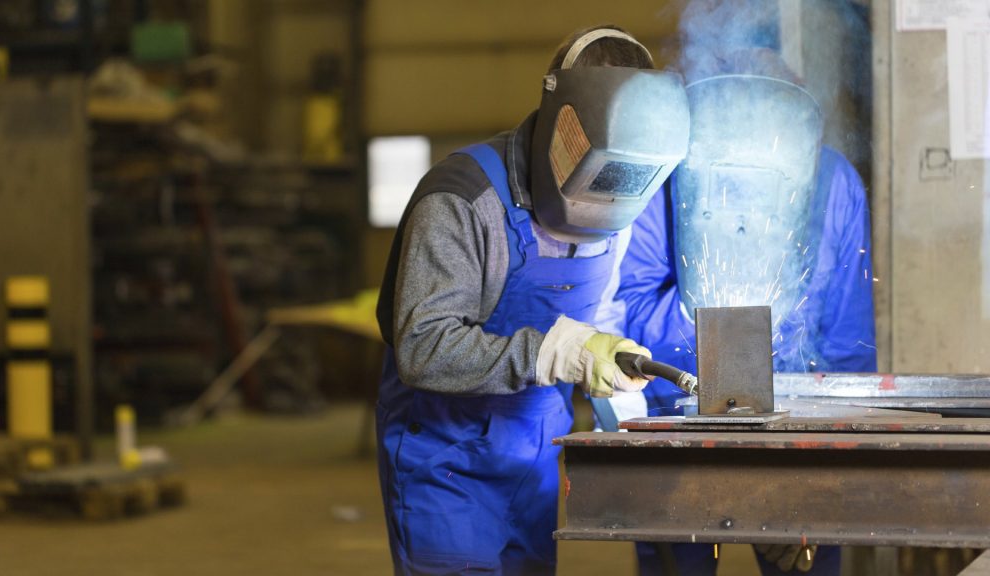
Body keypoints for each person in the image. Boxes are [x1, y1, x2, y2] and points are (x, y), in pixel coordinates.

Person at [374, 25, 691, 575]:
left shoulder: (625, 197)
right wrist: (549, 353)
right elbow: (422, 347)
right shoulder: (463, 200)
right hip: (445, 461)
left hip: (536, 453)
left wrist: (617, 392)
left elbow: (601, 311)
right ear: (561, 122)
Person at [613, 49, 876, 576]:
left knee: (804, 560)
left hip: (796, 428)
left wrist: (830, 469)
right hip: (679, 425)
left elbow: (847, 340)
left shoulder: (832, 180)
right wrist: (714, 318)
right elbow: (632, 310)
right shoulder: (667, 172)